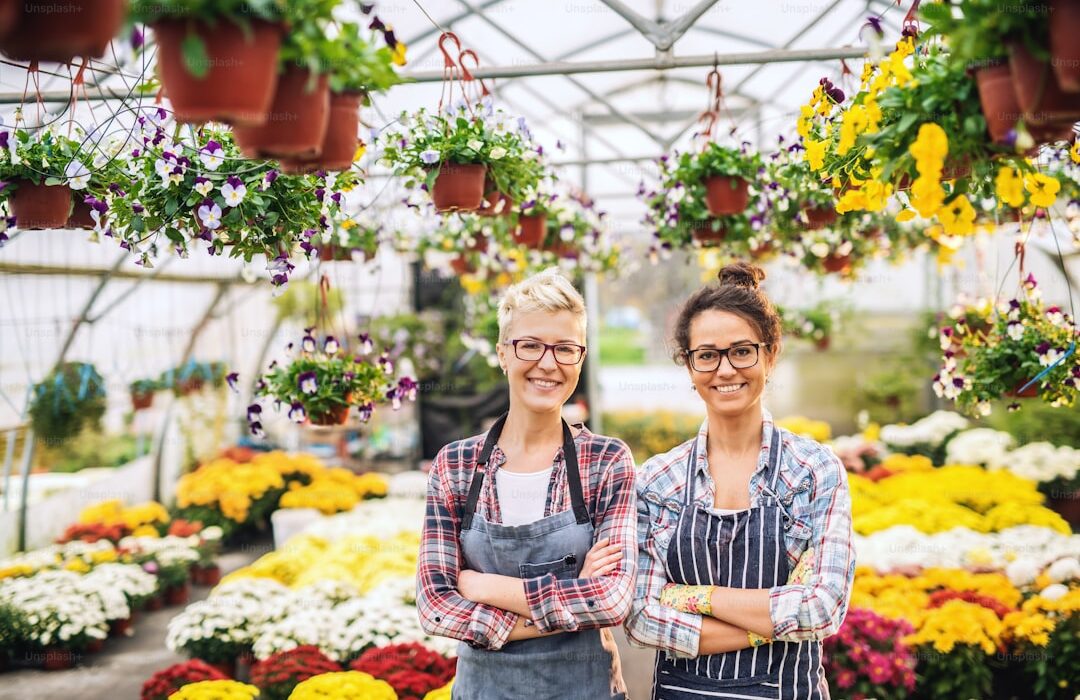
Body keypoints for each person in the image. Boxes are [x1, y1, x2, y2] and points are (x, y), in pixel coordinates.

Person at [625, 262, 855, 699]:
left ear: (769, 356)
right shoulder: (657, 480)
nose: (725, 370)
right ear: (690, 368)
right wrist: (773, 620)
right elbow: (641, 618)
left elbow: (822, 609)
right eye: (707, 355)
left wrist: (697, 597)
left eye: (742, 351)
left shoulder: (812, 471)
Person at [417, 267, 636, 699]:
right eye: (530, 345)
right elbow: (436, 607)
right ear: (502, 354)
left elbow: (612, 601)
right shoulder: (455, 465)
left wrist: (485, 587)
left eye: (565, 348)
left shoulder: (606, 462)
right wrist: (573, 598)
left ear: (581, 356)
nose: (548, 363)